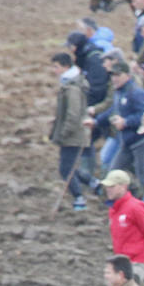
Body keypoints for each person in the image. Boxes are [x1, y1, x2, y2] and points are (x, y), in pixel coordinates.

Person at [92, 61, 144, 194]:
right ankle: (116, 201)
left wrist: (126, 122)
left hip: (141, 142)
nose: (114, 78)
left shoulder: (136, 93)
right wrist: (96, 122)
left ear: (127, 75)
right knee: (114, 172)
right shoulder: (118, 93)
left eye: (118, 75)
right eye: (112, 75)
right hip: (126, 142)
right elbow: (113, 111)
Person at [49, 51, 92, 212]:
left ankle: (79, 198)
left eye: (56, 67)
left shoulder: (72, 88)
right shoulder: (69, 84)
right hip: (72, 134)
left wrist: (63, 134)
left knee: (66, 169)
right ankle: (94, 184)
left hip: (72, 136)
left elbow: (73, 115)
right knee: (71, 167)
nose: (54, 70)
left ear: (66, 67)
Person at [100, 170, 144, 267]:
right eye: (107, 186)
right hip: (123, 263)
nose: (108, 189)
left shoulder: (135, 207)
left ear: (124, 186)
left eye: (112, 186)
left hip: (138, 262)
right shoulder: (113, 210)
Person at [66, 31, 109, 109]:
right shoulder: (85, 57)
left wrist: (85, 106)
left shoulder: (94, 60)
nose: (70, 50)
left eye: (70, 47)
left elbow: (97, 87)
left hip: (95, 106)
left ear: (75, 47)